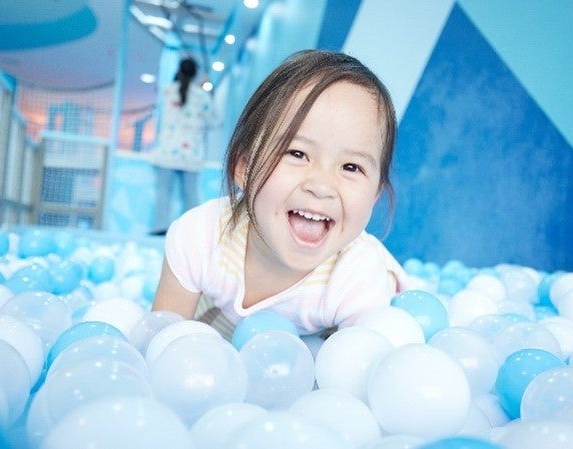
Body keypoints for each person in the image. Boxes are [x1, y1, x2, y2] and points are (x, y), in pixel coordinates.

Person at [152, 49, 408, 340]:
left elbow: (356, 362)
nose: (321, 186)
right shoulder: (201, 236)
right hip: (228, 318)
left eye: (351, 167)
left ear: (375, 194)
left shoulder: (359, 277)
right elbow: (161, 345)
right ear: (244, 167)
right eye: (297, 153)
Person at [149, 56, 219, 233]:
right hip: (191, 154)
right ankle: (191, 232)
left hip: (167, 151)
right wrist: (209, 92)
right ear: (195, 74)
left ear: (179, 71)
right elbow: (215, 122)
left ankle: (159, 227)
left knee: (163, 191)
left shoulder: (167, 91)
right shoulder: (203, 97)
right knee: (190, 194)